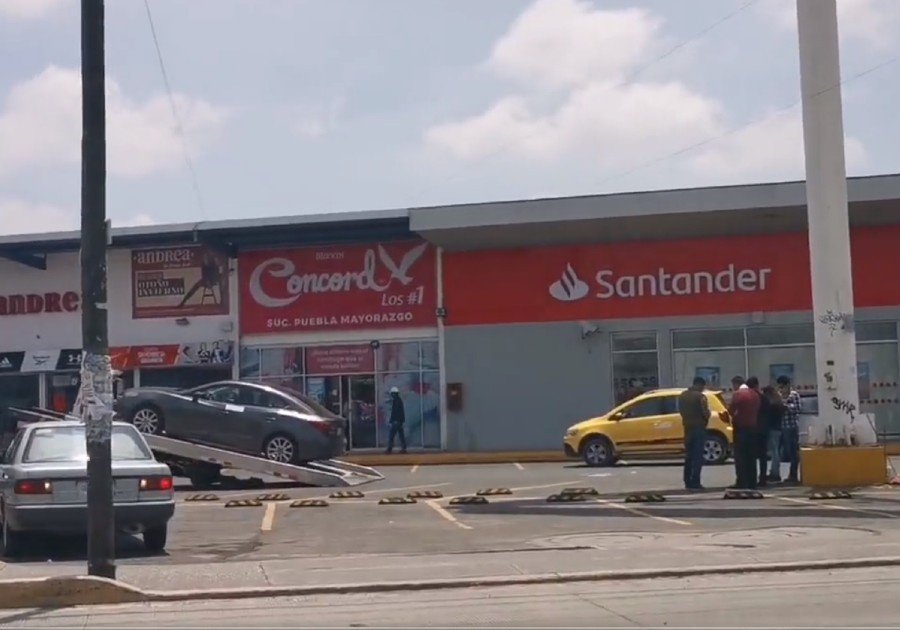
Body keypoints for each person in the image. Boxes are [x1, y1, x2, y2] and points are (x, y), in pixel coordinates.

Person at [729, 376, 761, 489]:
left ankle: (742, 482)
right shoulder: (755, 394)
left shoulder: (738, 394)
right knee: (751, 457)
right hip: (753, 428)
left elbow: (731, 410)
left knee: (741, 457)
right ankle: (752, 482)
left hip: (741, 429)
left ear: (736, 384)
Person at [679, 376, 710, 491]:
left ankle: (687, 480)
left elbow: (681, 411)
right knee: (697, 456)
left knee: (689, 456)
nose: (703, 389)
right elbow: (705, 413)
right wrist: (707, 418)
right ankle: (695, 481)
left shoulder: (682, 395)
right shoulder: (700, 397)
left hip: (687, 428)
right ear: (700, 385)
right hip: (698, 428)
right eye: (703, 386)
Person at [777, 375, 802, 483]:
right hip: (782, 426)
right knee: (784, 452)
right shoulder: (779, 396)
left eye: (782, 386)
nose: (781, 389)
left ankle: (793, 475)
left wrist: (786, 406)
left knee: (793, 452)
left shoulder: (794, 395)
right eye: (780, 387)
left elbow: (797, 408)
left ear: (787, 385)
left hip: (792, 426)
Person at [760, 385, 786, 485]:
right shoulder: (778, 403)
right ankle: (774, 472)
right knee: (776, 451)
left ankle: (775, 474)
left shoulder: (772, 405)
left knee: (774, 452)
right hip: (778, 429)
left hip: (772, 429)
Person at [385, 386, 407, 454]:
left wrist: (392, 420)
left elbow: (395, 412)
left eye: (392, 394)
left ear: (394, 394)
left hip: (396, 421)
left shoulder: (396, 401)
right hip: (400, 421)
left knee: (392, 435)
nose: (392, 395)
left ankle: (389, 448)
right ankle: (403, 448)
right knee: (401, 435)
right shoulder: (399, 400)